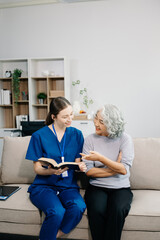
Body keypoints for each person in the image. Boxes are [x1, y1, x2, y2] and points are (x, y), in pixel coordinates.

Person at [26, 97, 86, 240]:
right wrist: (52, 171)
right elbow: (37, 169)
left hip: (68, 186)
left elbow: (77, 162)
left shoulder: (77, 134)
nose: (69, 119)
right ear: (53, 116)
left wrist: (81, 167)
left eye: (71, 114)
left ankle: (52, 236)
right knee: (57, 211)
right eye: (65, 116)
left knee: (78, 207)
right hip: (44, 186)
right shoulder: (38, 136)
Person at [81, 104, 134, 240]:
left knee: (117, 210)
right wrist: (113, 169)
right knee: (97, 210)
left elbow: (123, 169)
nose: (96, 123)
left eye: (101, 122)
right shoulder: (90, 140)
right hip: (97, 187)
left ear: (112, 124)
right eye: (96, 119)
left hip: (121, 187)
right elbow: (89, 172)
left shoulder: (125, 139)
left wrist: (100, 159)